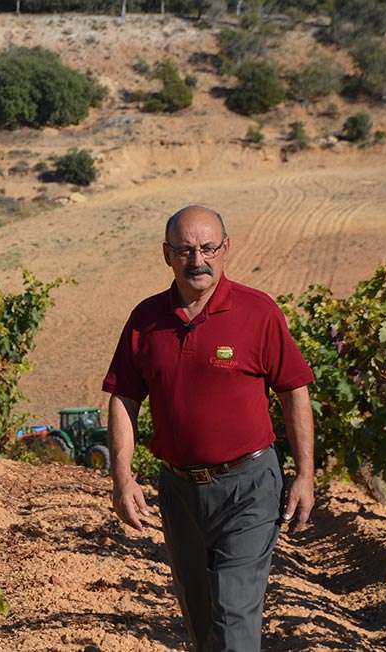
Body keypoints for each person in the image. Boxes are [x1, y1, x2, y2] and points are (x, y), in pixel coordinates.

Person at [102, 205, 315, 651]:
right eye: (185, 250)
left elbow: (294, 391)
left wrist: (305, 475)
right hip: (179, 492)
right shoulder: (146, 320)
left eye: (207, 248)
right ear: (167, 255)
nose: (197, 260)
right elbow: (123, 397)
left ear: (226, 249)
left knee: (234, 618)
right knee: (201, 624)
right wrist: (122, 478)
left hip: (248, 487)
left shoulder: (257, 313)